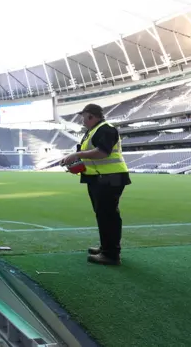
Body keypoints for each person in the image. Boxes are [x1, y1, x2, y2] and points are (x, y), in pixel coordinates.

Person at [61, 104, 131, 265]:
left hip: (109, 178)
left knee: (108, 215)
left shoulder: (106, 129)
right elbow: (91, 156)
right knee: (103, 215)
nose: (83, 121)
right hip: (99, 178)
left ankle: (111, 254)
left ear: (91, 116)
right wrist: (74, 162)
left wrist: (76, 154)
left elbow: (102, 152)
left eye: (84, 117)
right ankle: (106, 248)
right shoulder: (93, 131)